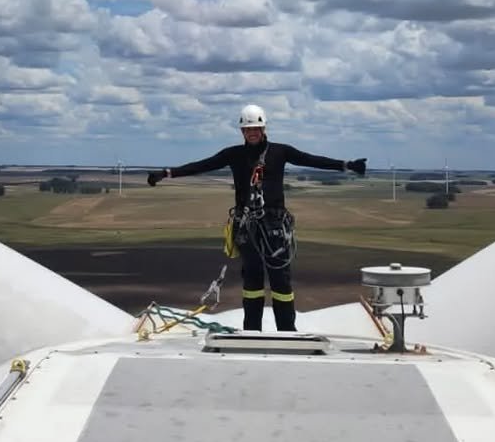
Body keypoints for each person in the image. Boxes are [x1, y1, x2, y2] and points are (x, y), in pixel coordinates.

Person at [147, 104, 366, 332]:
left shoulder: (280, 152)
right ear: (242, 131)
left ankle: (287, 332)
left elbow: (310, 159)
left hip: (274, 227)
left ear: (263, 128)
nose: (252, 132)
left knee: (280, 281)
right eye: (248, 129)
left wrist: (346, 165)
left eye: (256, 128)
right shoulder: (234, 155)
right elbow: (202, 165)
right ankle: (252, 331)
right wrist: (166, 173)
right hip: (247, 227)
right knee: (252, 282)